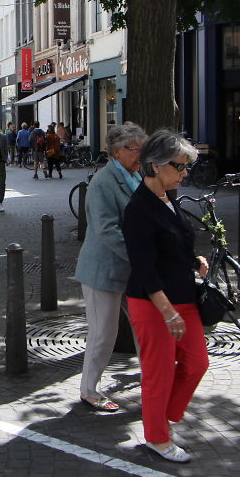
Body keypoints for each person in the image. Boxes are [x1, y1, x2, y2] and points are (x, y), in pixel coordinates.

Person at [123, 130, 210, 464]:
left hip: (183, 298)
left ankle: (164, 417)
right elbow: (144, 269)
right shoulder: (138, 209)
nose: (185, 173)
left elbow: (176, 243)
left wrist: (194, 259)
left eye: (187, 166)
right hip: (153, 304)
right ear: (156, 166)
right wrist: (167, 311)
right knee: (158, 373)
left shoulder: (168, 197)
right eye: (180, 166)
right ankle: (157, 437)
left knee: (197, 363)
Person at [74, 122, 147, 414]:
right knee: (102, 333)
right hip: (103, 269)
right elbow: (106, 230)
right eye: (134, 149)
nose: (139, 154)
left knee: (146, 328)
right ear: (116, 151)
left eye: (141, 148)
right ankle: (89, 390)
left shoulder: (134, 175)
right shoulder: (103, 182)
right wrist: (140, 255)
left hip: (131, 268)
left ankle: (152, 377)